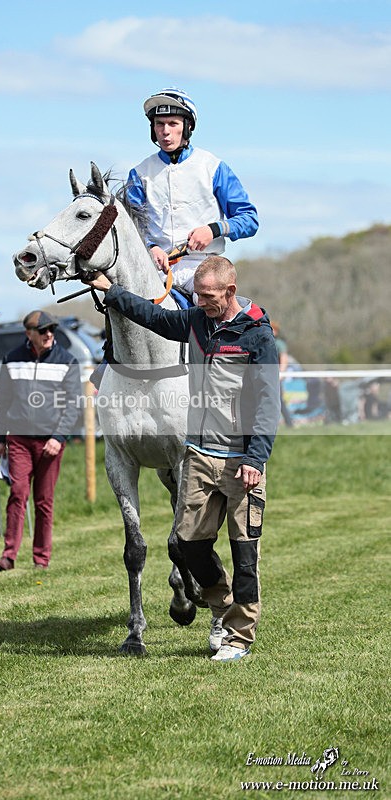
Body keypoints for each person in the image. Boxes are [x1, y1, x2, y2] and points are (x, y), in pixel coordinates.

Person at [86, 256, 280, 662]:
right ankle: (221, 607)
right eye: (197, 296)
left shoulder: (257, 335)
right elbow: (153, 317)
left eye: (208, 297)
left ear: (230, 290)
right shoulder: (195, 322)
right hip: (199, 456)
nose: (201, 302)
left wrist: (256, 458)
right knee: (188, 544)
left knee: (245, 554)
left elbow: (267, 403)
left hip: (240, 460)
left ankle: (236, 637)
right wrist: (112, 291)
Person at [127, 88, 259, 295]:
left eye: (173, 124)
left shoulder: (214, 167)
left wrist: (213, 229)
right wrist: (151, 247)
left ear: (188, 127)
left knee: (216, 306)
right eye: (159, 124)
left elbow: (249, 220)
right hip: (154, 269)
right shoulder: (138, 174)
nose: (165, 131)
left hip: (203, 267)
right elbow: (131, 225)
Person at [0, 311, 82, 572]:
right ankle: (8, 556)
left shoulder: (68, 362)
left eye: (51, 329)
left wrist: (59, 437)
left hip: (50, 444)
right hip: (18, 440)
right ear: (28, 333)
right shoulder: (11, 360)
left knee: (44, 501)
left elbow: (73, 405)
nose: (49, 334)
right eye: (42, 330)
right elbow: (3, 402)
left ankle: (41, 558)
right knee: (18, 494)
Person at [270, 321, 294, 428]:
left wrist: (281, 374)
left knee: (278, 401)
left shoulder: (279, 343)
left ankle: (289, 423)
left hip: (276, 376)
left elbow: (284, 359)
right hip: (267, 375)